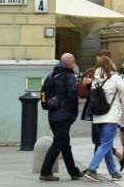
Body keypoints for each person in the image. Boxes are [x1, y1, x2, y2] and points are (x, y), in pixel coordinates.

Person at [83, 55, 124, 181]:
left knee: (106, 145)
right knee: (105, 144)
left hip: (97, 116)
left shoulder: (94, 79)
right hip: (111, 115)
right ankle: (92, 169)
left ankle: (113, 172)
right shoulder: (115, 78)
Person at [39, 53, 84, 182]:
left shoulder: (51, 75)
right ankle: (45, 172)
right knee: (58, 143)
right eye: (74, 62)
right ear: (70, 63)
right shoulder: (69, 75)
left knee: (65, 144)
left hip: (53, 115)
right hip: (63, 116)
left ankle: (73, 172)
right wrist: (73, 112)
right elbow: (72, 94)